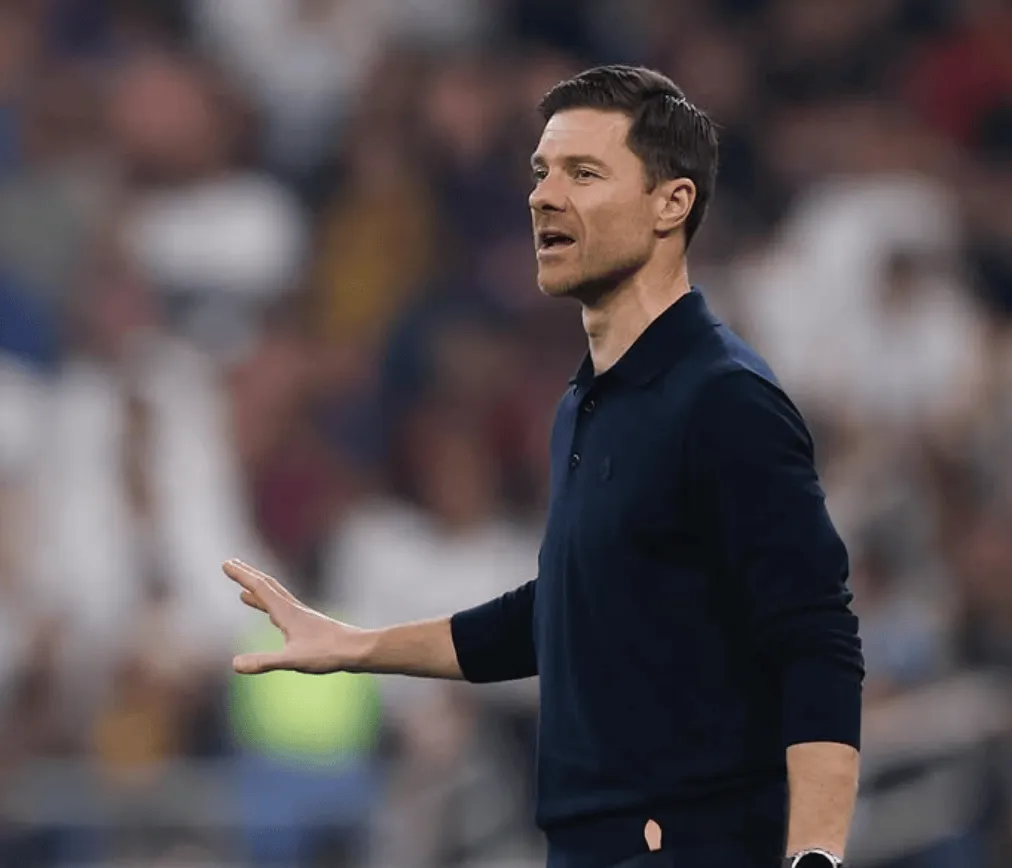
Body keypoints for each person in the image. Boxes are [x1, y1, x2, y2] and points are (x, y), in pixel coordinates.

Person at [223, 65, 864, 868]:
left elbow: (816, 635)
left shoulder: (724, 399)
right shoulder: (584, 405)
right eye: (541, 172)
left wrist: (815, 854)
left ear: (672, 204)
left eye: (583, 174)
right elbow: (565, 611)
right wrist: (357, 645)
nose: (544, 198)